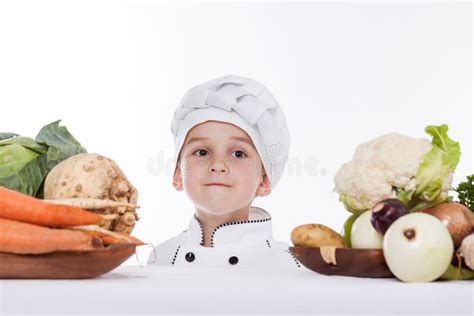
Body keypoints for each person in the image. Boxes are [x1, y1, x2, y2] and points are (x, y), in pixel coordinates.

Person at [148, 75, 301, 270]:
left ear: (264, 180)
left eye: (238, 153)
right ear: (178, 173)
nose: (218, 165)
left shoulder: (290, 266)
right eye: (201, 152)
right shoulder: (160, 258)